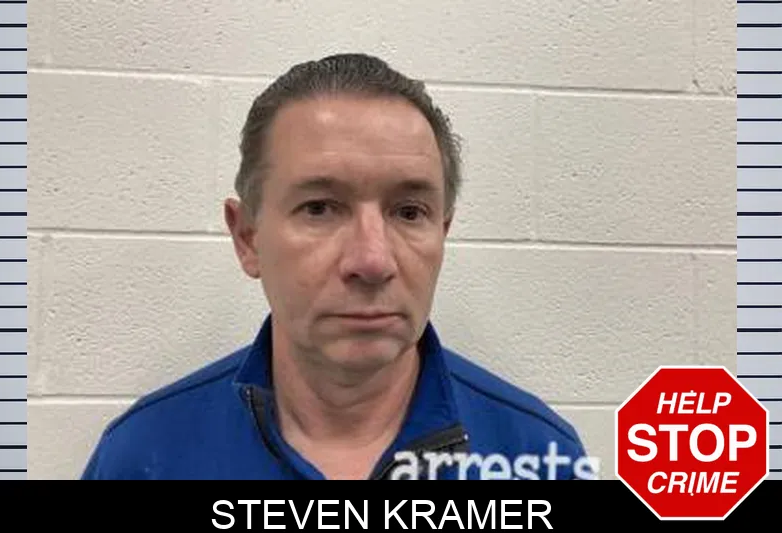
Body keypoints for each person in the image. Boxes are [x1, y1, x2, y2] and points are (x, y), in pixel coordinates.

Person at [81, 53, 595, 480]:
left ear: (442, 232)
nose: (372, 261)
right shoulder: (146, 458)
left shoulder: (539, 458)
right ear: (248, 238)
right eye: (320, 208)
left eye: (409, 212)